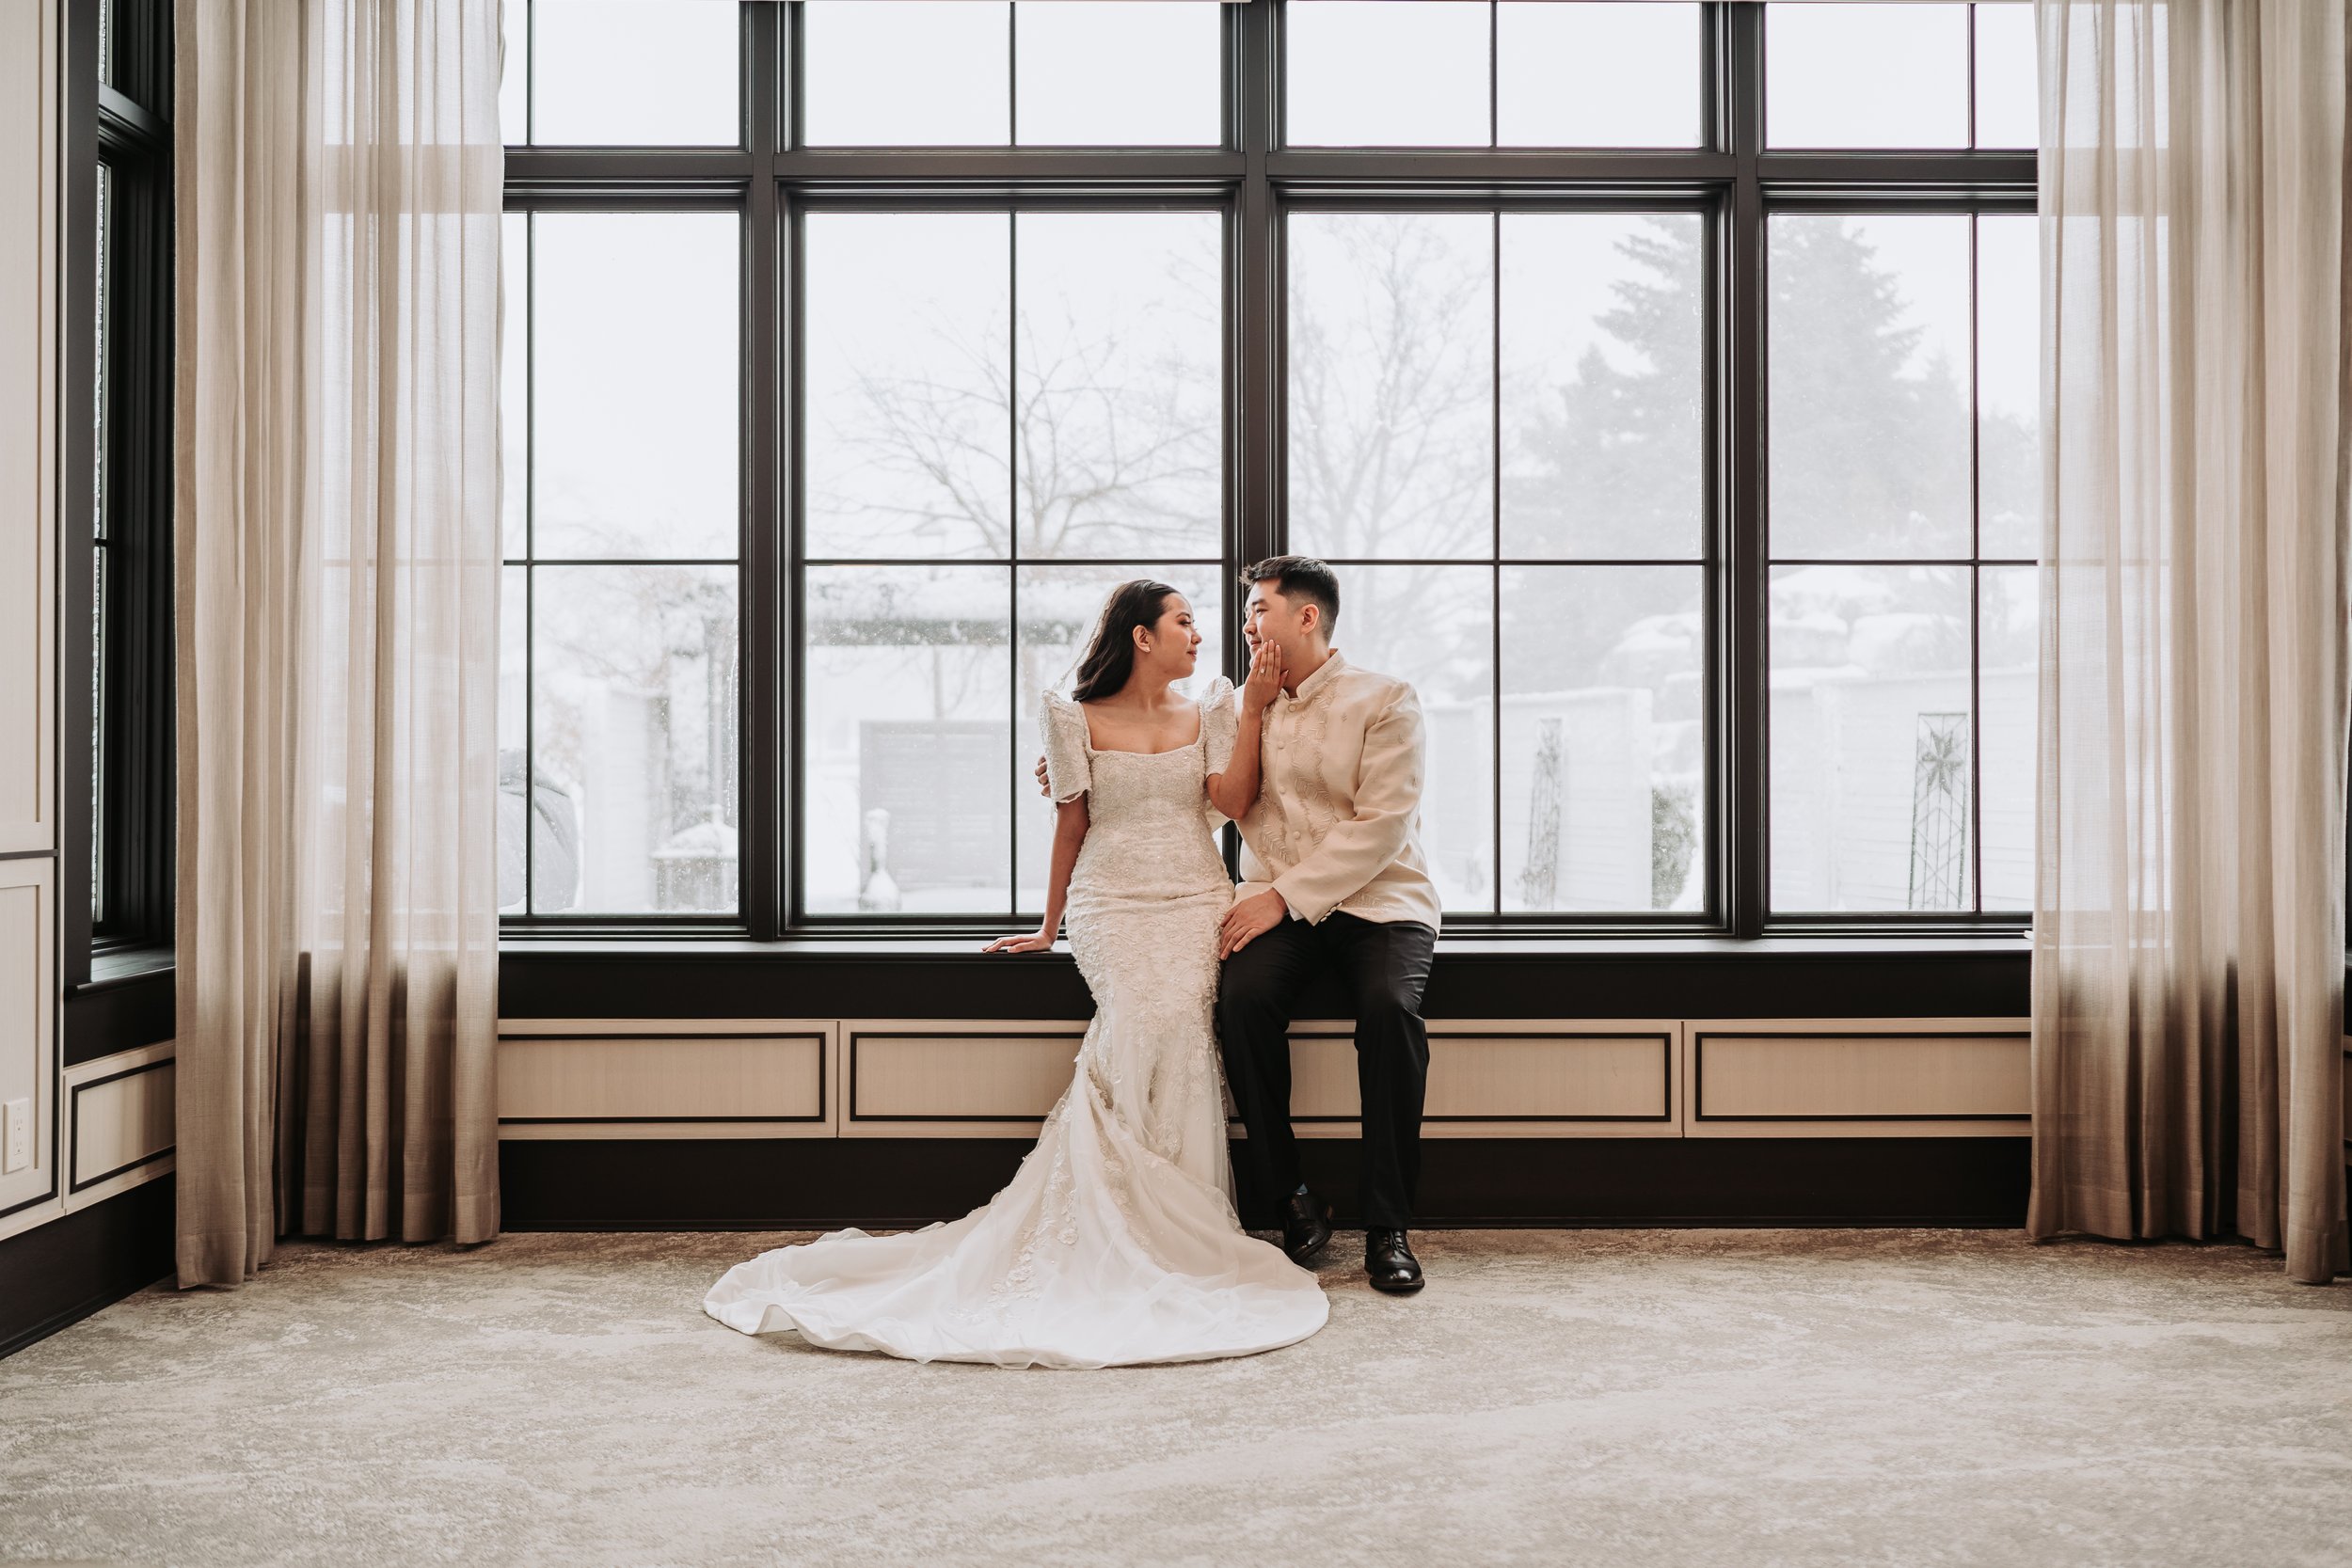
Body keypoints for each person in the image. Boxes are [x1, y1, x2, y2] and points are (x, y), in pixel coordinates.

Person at [703, 579, 1327, 1368]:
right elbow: (1073, 822)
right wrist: (1048, 925)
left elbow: (1234, 801)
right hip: (1112, 899)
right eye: (1185, 622)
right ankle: (1121, 1221)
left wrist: (1257, 710)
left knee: (1180, 1019)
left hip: (1194, 892)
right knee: (1140, 1017)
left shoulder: (1213, 707)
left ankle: (1184, 1227)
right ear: (1141, 636)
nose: (1201, 637)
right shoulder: (1071, 715)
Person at [1212, 556, 1442, 1295]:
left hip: (1381, 900)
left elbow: (1382, 825)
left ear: (1305, 617)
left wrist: (1280, 898)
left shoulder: (1386, 697)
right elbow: (1205, 787)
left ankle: (1389, 1225)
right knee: (1240, 1001)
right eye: (1247, 615)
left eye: (1260, 611)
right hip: (1277, 902)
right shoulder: (1244, 702)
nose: (1248, 626)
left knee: (1389, 1011)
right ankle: (1289, 1200)